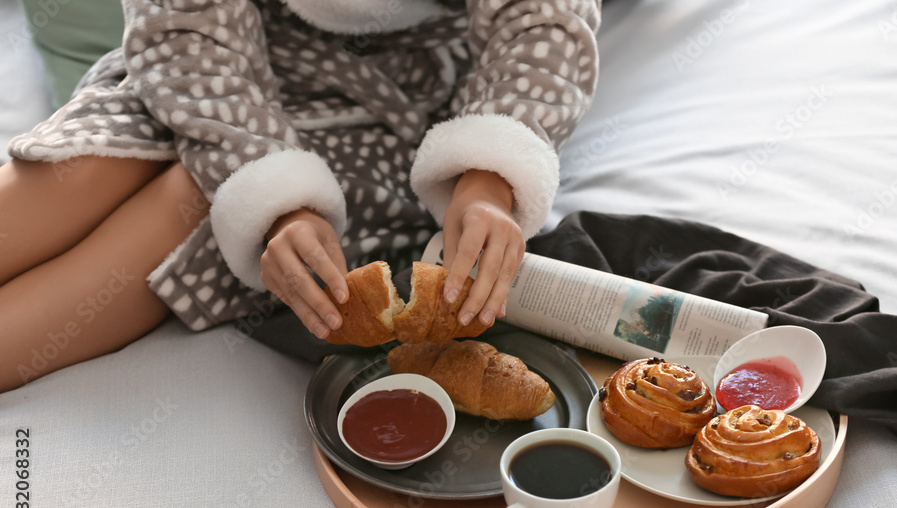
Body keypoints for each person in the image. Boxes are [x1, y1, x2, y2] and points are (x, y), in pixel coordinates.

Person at [0, 0, 600, 393]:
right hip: (208, 68)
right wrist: (272, 189)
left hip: (393, 100)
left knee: (183, 204)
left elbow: (542, 27)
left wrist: (487, 179)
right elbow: (185, 34)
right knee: (83, 169)